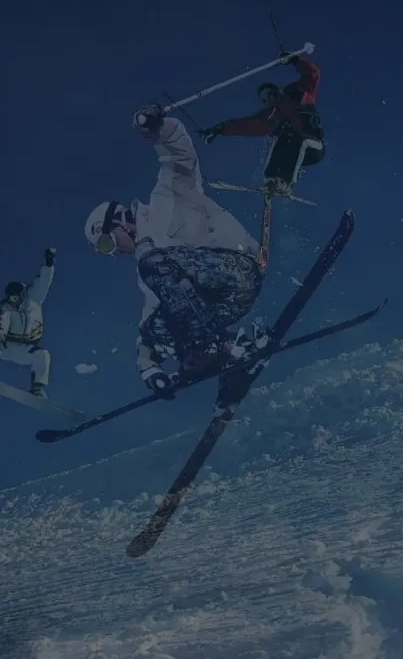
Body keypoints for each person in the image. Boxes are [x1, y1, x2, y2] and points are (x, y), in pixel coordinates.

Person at [84, 106, 264, 398]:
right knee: (155, 327)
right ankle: (226, 349)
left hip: (235, 268)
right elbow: (148, 326)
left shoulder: (165, 200)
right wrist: (150, 369)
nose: (114, 253)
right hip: (219, 307)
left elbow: (180, 157)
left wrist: (158, 128)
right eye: (106, 252)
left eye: (108, 244)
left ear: (119, 222)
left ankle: (209, 347)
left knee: (152, 264)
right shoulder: (148, 271)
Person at [200, 50, 325, 197]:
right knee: (280, 139)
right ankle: (271, 181)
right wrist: (219, 129)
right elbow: (247, 125)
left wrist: (294, 60)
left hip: (314, 145)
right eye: (263, 99)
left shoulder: (296, 93)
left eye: (268, 94)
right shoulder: (271, 117)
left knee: (291, 136)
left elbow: (313, 75)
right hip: (294, 153)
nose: (267, 100)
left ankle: (284, 183)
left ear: (277, 91)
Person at [0, 248, 56, 399]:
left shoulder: (34, 299)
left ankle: (37, 389)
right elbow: (2, 324)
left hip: (27, 349)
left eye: (17, 297)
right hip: (7, 346)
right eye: (11, 298)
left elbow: (44, 281)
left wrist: (49, 263)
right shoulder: (6, 309)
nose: (15, 301)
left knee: (43, 355)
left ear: (23, 294)